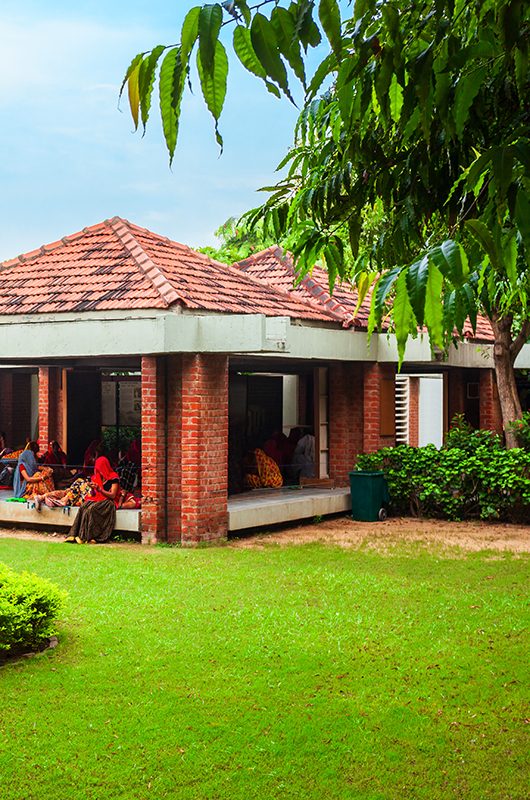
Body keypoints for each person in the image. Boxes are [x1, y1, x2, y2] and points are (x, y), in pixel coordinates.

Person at [65, 455, 120, 543]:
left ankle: (86, 536)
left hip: (109, 502)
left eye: (100, 468)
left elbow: (113, 495)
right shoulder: (97, 477)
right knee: (83, 506)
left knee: (91, 509)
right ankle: (73, 534)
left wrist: (100, 489)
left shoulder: (113, 478)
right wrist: (93, 488)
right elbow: (94, 494)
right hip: (98, 499)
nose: (98, 471)